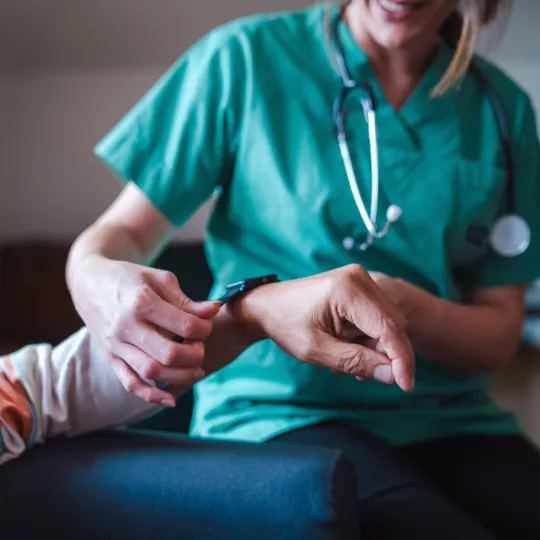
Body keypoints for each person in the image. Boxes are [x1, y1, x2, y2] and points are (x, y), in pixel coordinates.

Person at [2, 0, 540, 538]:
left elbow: (499, 331)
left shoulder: (502, 109)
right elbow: (119, 236)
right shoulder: (244, 61)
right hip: (279, 410)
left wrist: (402, 305)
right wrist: (95, 275)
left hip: (449, 417)